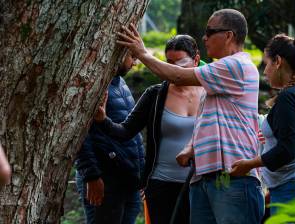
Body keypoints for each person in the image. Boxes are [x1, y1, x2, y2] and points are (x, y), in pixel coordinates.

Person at [117, 9, 264, 224]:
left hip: (232, 178)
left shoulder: (236, 65)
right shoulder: (216, 78)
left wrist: (142, 53)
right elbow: (215, 119)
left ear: (229, 35)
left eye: (210, 31)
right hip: (206, 177)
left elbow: (176, 75)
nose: (204, 37)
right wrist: (192, 147)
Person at [94, 34, 204, 224]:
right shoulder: (155, 94)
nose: (172, 69)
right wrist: (103, 120)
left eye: (180, 63)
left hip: (200, 185)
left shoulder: (211, 94)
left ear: (196, 59)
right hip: (161, 183)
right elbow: (125, 131)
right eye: (168, 62)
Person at [229, 34, 295, 215]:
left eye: (266, 63)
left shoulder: (289, 96)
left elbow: (287, 150)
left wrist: (249, 164)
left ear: (278, 61)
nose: (265, 71)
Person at [75, 52, 144, 224]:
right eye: (132, 57)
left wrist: (141, 175)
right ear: (119, 53)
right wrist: (91, 175)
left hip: (129, 181)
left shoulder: (121, 83)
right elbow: (81, 135)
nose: (135, 63)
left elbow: (132, 134)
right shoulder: (94, 85)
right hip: (105, 181)